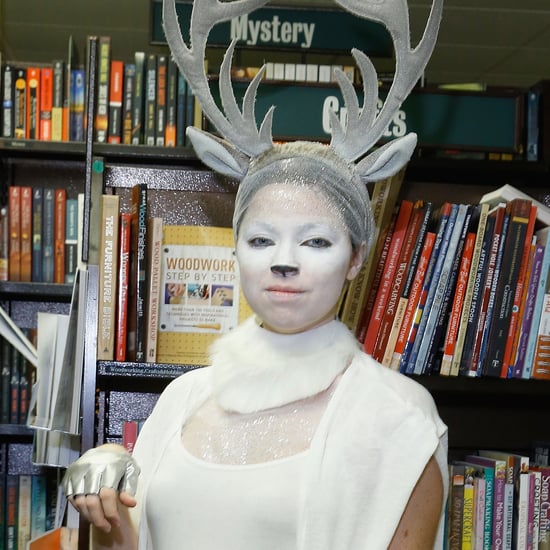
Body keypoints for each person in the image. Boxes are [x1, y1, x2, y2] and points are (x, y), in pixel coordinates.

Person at [63, 0, 448, 547]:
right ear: (235, 251)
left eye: (316, 240)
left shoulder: (398, 420)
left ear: (356, 259)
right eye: (261, 239)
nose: (283, 260)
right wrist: (99, 502)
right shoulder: (181, 402)